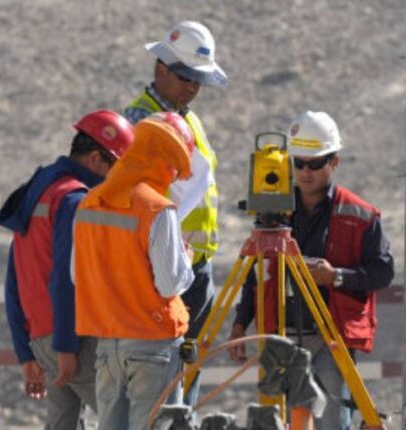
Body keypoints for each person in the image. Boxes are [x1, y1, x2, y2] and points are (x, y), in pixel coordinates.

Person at [228, 111, 395, 430]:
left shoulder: (359, 214)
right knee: (280, 421)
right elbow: (256, 274)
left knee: (331, 422)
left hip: (329, 334)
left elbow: (383, 272)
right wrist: (240, 323)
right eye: (298, 163)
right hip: (279, 333)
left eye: (315, 163)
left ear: (335, 162)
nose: (305, 172)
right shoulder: (274, 212)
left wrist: (337, 277)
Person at [0, 110, 134, 429]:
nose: (116, 176)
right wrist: (66, 348)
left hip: (42, 338)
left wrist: (26, 353)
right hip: (72, 337)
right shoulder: (75, 200)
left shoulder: (37, 193)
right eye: (116, 166)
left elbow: (14, 278)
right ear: (96, 158)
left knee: (62, 423)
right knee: (125, 420)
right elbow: (65, 278)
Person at [123, 20, 227, 406]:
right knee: (161, 372)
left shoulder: (189, 117)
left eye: (199, 79)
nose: (193, 86)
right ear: (161, 69)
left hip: (197, 266)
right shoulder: (139, 120)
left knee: (190, 366)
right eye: (186, 76)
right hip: (161, 266)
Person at [72, 113, 197, 430]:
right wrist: (186, 259)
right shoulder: (155, 209)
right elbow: (170, 284)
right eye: (175, 170)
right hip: (153, 346)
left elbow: (77, 276)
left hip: (107, 345)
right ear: (168, 163)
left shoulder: (89, 203)